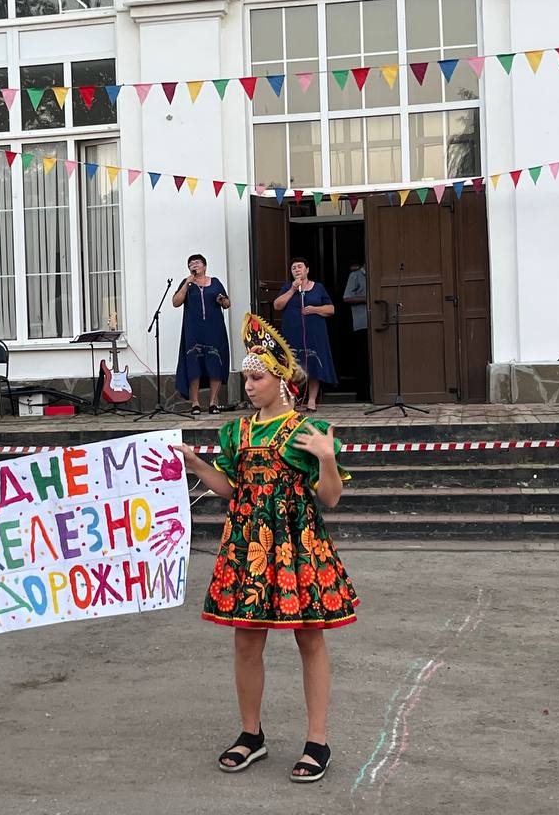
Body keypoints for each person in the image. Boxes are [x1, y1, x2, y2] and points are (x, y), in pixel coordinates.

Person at [175, 313, 357, 785]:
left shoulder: (306, 432)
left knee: (309, 636)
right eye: (246, 378)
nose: (250, 386)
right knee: (246, 639)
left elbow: (331, 497)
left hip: (298, 545)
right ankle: (250, 734)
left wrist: (328, 459)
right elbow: (229, 488)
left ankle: (318, 741)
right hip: (248, 546)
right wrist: (196, 464)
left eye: (257, 377)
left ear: (280, 379)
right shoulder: (235, 432)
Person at [273, 256, 337, 410]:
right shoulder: (288, 288)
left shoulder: (318, 288)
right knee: (293, 366)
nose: (296, 270)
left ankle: (312, 400)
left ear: (307, 270)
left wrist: (314, 309)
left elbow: (331, 309)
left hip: (315, 333)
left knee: (314, 365)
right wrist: (292, 290)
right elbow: (277, 305)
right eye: (294, 268)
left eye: (299, 267)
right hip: (292, 333)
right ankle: (293, 398)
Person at [173, 253, 231, 414]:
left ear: (204, 266)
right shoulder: (187, 284)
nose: (194, 265)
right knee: (194, 365)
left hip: (214, 329)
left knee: (214, 363)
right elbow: (176, 302)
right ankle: (195, 403)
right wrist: (186, 284)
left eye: (197, 262)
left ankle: (213, 403)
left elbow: (227, 304)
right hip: (193, 330)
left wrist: (222, 300)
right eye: (191, 263)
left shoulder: (216, 282)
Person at [342, 258, 369, 402]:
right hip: (361, 323)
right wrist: (367, 298)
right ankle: (362, 395)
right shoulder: (356, 276)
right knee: (362, 360)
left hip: (378, 323)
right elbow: (347, 297)